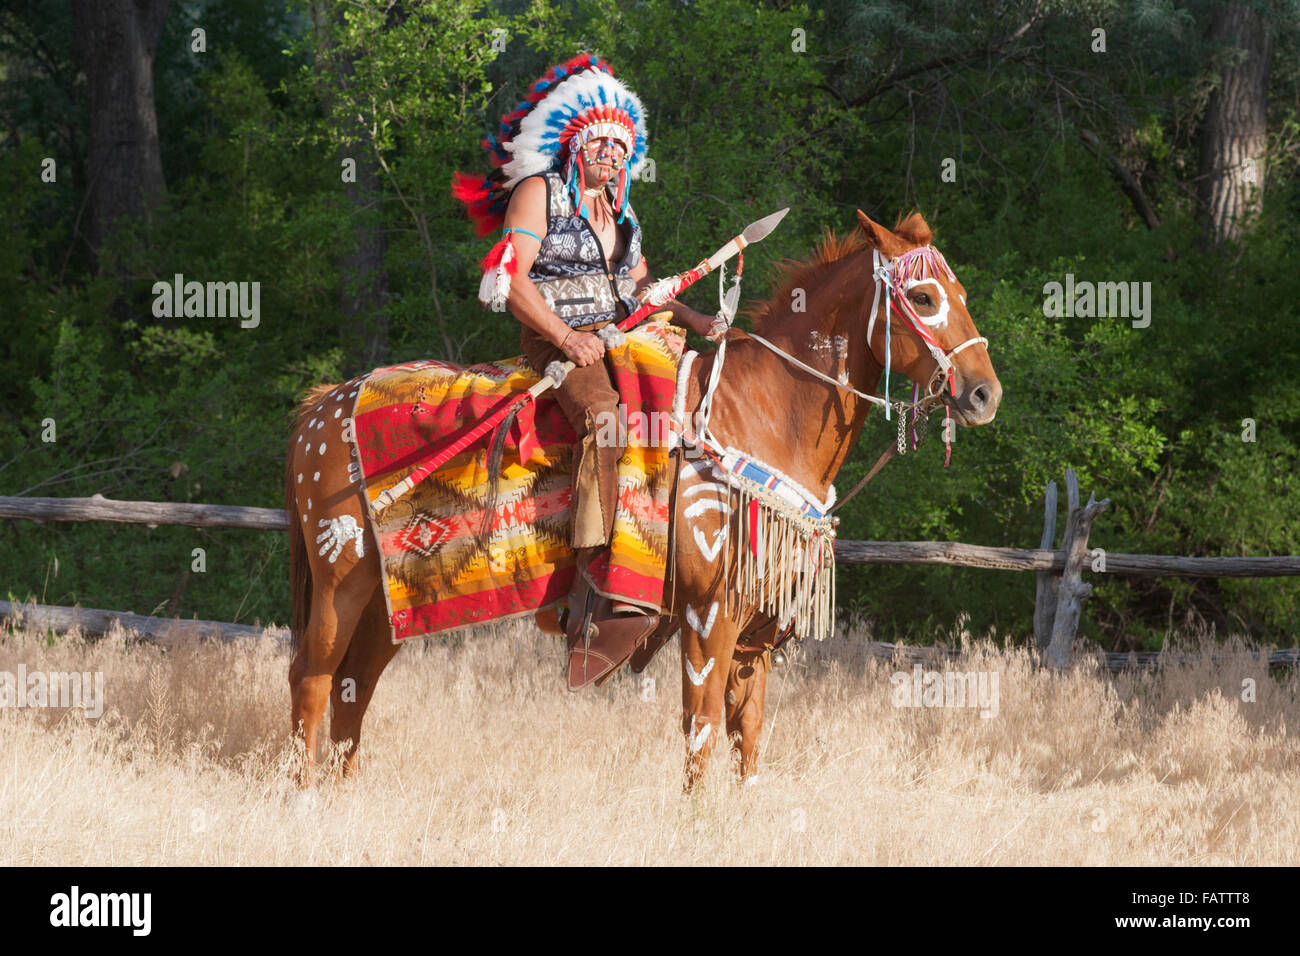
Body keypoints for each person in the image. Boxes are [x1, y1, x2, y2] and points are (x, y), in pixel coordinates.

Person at [452, 55, 721, 688]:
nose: (611, 156)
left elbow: (642, 290)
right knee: (605, 417)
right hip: (559, 337)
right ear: (575, 143)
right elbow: (509, 280)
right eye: (601, 144)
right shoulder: (539, 192)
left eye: (620, 148)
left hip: (624, 335)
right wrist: (566, 337)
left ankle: (667, 552)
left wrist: (697, 319)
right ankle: (593, 582)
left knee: (688, 406)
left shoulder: (620, 210)